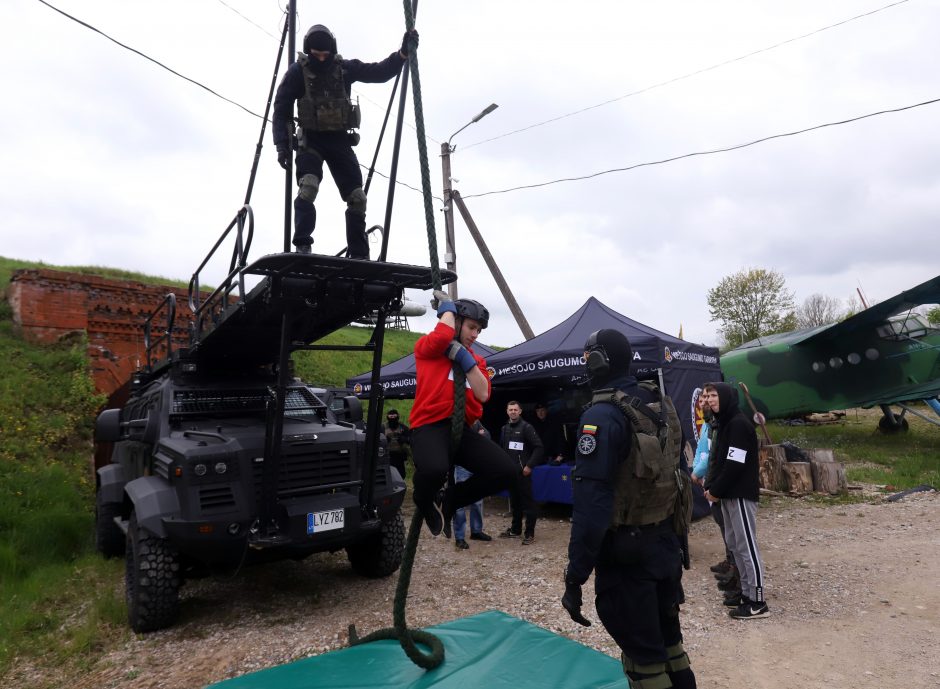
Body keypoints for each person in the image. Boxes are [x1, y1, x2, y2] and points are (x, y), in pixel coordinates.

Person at [562, 329, 696, 689]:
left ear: (599, 360)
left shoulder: (602, 417)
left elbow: (592, 508)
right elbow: (677, 477)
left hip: (628, 557)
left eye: (587, 356)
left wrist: (575, 577)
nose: (585, 363)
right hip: (664, 545)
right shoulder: (658, 404)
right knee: (671, 648)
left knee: (645, 664)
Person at [272, 25, 418, 257]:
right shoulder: (297, 72)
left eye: (325, 54)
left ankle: (359, 254)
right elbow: (281, 109)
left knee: (358, 198)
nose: (321, 58)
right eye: (316, 54)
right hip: (311, 140)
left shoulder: (345, 69)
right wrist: (281, 145)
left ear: (332, 50)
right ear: (308, 51)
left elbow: (379, 72)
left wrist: (402, 54)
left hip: (339, 141)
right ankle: (302, 245)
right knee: (308, 186)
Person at [408, 294, 516, 537]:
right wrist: (447, 307)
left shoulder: (477, 361)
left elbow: (483, 394)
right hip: (429, 427)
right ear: (456, 323)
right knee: (435, 468)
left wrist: (466, 361)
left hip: (460, 430)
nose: (475, 334)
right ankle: (423, 499)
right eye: (471, 327)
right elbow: (443, 336)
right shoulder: (428, 349)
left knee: (505, 471)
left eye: (479, 330)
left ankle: (452, 499)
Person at [703, 382, 769, 619]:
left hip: (739, 494)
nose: (710, 401)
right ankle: (747, 594)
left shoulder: (739, 425)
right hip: (728, 495)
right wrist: (712, 487)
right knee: (735, 544)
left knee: (747, 546)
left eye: (715, 396)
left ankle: (758, 602)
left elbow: (734, 465)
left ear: (727, 397)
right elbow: (719, 461)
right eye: (708, 397)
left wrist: (716, 490)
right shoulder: (726, 423)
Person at [691, 389, 734, 578]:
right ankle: (730, 559)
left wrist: (698, 471)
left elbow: (709, 454)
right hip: (708, 479)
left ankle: (734, 564)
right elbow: (702, 451)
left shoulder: (717, 426)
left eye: (707, 399)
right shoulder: (708, 425)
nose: (703, 403)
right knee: (721, 522)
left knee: (727, 524)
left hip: (715, 480)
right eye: (701, 400)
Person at [498, 401, 545, 545]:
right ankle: (515, 529)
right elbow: (502, 450)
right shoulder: (504, 429)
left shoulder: (526, 427)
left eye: (515, 409)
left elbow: (539, 448)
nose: (513, 412)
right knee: (515, 502)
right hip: (511, 473)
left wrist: (529, 465)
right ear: (507, 411)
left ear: (520, 411)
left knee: (528, 504)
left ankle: (529, 533)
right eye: (510, 409)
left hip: (523, 473)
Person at [452, 420, 494, 550]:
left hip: (476, 466)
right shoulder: (455, 421)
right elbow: (454, 442)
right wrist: (476, 436)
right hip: (461, 467)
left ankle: (476, 531)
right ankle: (459, 537)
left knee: (477, 501)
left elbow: (487, 435)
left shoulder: (475, 421)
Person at [383, 409, 411, 480]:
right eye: (390, 416)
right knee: (388, 475)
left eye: (394, 416)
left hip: (400, 456)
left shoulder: (403, 427)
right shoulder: (382, 427)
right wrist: (384, 440)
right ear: (387, 417)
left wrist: (404, 439)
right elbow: (375, 439)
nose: (392, 418)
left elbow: (411, 439)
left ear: (397, 417)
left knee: (401, 475)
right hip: (386, 456)